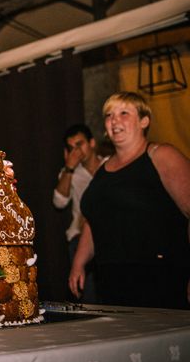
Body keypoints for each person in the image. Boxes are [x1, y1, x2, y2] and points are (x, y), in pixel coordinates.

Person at [69, 92, 190, 309]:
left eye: (124, 113)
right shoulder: (103, 171)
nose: (114, 120)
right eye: (109, 115)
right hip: (111, 280)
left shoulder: (161, 155)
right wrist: (79, 263)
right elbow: (94, 220)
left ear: (144, 121)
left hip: (158, 278)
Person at [53, 124, 105, 303]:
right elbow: (59, 202)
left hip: (109, 238)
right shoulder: (72, 173)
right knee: (87, 296)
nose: (76, 151)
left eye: (79, 144)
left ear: (92, 143)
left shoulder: (110, 165)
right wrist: (69, 168)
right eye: (71, 147)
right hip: (80, 239)